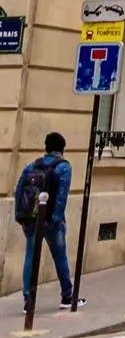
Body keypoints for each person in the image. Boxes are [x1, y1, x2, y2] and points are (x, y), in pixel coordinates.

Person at [14, 131, 76, 307]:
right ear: (62, 149)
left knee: (30, 256)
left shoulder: (32, 165)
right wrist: (55, 220)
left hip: (31, 218)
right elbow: (61, 197)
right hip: (51, 221)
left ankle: (28, 300)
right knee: (60, 256)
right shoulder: (64, 167)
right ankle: (67, 296)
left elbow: (18, 191)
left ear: (46, 148)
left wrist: (20, 216)